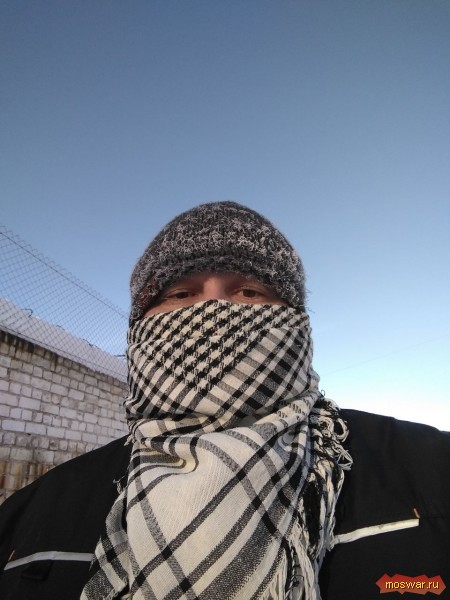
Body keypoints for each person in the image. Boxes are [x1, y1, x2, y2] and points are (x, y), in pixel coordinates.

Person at [0, 201, 449, 600]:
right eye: (180, 294)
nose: (212, 310)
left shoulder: (427, 471)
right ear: (139, 328)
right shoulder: (33, 516)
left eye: (249, 291)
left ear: (297, 323)